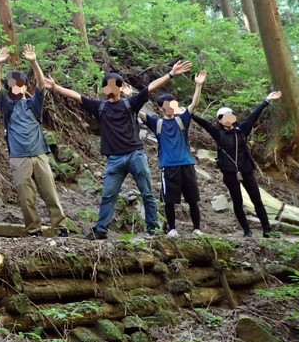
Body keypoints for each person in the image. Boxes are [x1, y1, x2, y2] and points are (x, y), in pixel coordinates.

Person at [45, 60, 193, 239]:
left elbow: (150, 88)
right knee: (108, 195)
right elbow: (77, 96)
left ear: (120, 87)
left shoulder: (130, 104)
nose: (108, 89)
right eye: (105, 86)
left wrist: (171, 74)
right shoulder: (100, 107)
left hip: (135, 154)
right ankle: (101, 230)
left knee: (146, 193)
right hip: (114, 159)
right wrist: (55, 86)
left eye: (111, 85)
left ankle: (153, 228)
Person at [0, 45, 68, 237]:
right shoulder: (7, 107)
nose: (16, 88)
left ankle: (60, 227)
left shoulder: (33, 104)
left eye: (20, 84)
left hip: (40, 154)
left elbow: (42, 86)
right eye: (12, 85)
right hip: (19, 157)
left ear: (26, 87)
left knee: (50, 193)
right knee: (26, 197)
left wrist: (34, 62)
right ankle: (33, 229)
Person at [191, 91, 282, 238]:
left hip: (246, 170)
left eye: (230, 115)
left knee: (256, 200)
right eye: (224, 117)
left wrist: (267, 101)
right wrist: (189, 114)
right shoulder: (218, 134)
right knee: (237, 202)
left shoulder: (241, 131)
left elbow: (253, 116)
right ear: (219, 121)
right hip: (229, 173)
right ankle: (246, 230)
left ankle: (267, 229)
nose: (228, 119)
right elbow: (205, 124)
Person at [139, 71, 207, 237]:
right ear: (161, 107)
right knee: (169, 200)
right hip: (168, 166)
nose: (169, 107)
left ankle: (197, 228)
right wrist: (130, 95)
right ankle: (172, 229)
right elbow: (137, 111)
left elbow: (194, 105)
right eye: (166, 105)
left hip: (186, 164)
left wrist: (199, 85)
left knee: (193, 199)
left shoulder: (181, 119)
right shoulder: (157, 123)